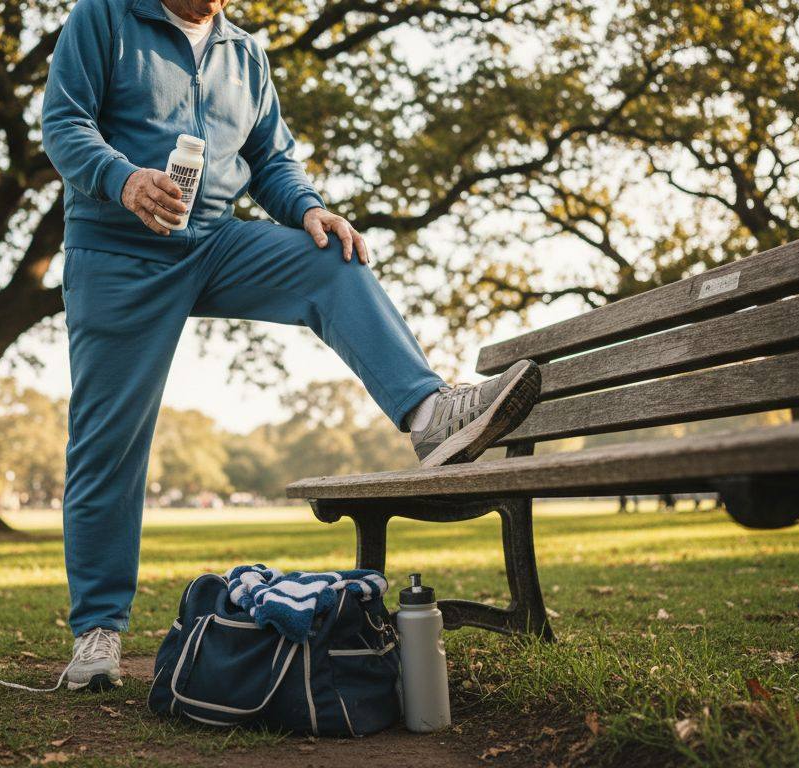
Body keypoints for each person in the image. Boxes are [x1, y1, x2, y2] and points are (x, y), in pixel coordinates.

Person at [41, 0, 540, 692]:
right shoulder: (102, 17)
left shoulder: (244, 54)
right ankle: (98, 631)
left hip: (215, 240)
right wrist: (123, 179)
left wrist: (307, 207)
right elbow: (63, 125)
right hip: (119, 251)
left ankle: (432, 415)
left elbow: (271, 159)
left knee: (330, 258)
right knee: (108, 442)